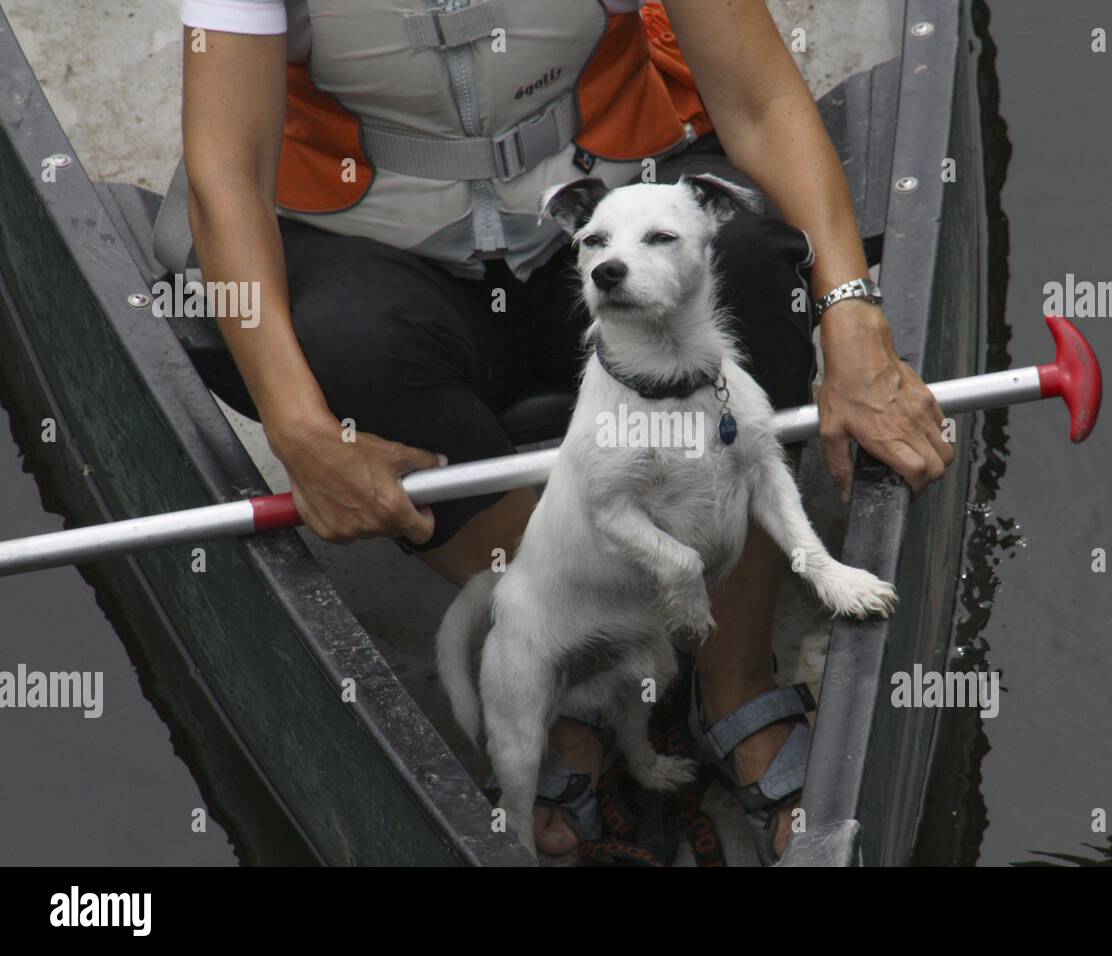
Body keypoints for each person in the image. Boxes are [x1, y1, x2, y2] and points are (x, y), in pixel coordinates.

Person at [179, 0, 953, 864]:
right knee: (343, 355)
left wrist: (852, 321)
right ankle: (574, 689)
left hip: (608, 210)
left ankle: (733, 681)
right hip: (375, 252)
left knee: (749, 274)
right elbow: (228, 173)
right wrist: (299, 430)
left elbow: (761, 103)